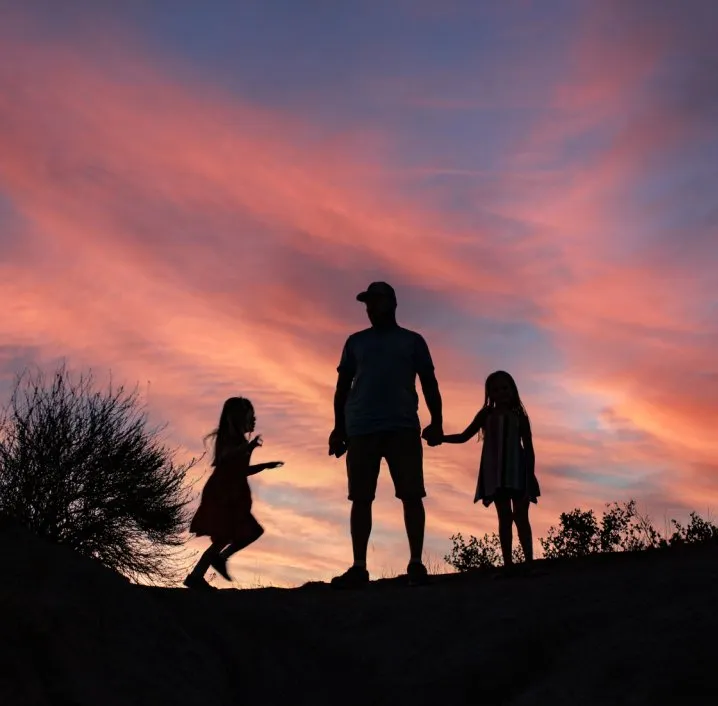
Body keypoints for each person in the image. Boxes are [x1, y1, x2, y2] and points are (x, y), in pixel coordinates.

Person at [328, 281, 444, 588]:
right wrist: (338, 428)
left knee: (411, 495)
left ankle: (416, 563)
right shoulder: (355, 342)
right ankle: (359, 566)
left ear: (392, 303)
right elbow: (342, 388)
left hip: (402, 426)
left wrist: (437, 421)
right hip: (361, 428)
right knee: (360, 498)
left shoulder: (413, 341)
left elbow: (430, 383)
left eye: (376, 302)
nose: (370, 308)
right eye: (367, 303)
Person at [431, 370, 539, 571]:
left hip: (517, 472)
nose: (501, 392)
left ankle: (529, 563)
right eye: (496, 389)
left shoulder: (519, 416)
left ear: (512, 389)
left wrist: (530, 475)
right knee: (504, 517)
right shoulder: (485, 415)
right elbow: (464, 436)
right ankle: (508, 565)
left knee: (521, 516)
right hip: (495, 474)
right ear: (489, 393)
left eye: (505, 388)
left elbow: (529, 448)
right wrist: (441, 439)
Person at [184, 397, 283, 590]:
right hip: (223, 493)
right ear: (238, 417)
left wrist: (264, 465)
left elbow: (240, 469)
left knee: (226, 536)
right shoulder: (229, 439)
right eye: (250, 416)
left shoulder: (241, 442)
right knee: (249, 532)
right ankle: (219, 559)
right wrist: (248, 447)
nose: (254, 420)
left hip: (233, 493)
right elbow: (226, 458)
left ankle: (196, 575)